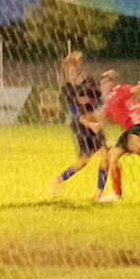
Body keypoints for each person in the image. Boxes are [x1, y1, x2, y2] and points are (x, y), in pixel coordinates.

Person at [80, 70, 140, 202]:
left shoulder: (119, 90)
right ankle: (117, 194)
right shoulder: (110, 99)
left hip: (138, 122)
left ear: (112, 82)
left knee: (134, 148)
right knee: (112, 158)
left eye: (104, 81)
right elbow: (106, 116)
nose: (102, 85)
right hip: (129, 128)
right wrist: (88, 121)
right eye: (102, 82)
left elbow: (134, 91)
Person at [50, 51, 108, 198]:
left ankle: (99, 194)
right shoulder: (68, 88)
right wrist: (90, 124)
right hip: (80, 127)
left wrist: (97, 117)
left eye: (75, 66)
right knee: (83, 161)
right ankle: (58, 181)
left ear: (80, 66)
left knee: (105, 156)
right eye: (69, 68)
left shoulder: (90, 82)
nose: (72, 70)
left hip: (94, 123)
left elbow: (101, 103)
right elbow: (74, 114)